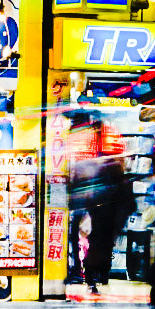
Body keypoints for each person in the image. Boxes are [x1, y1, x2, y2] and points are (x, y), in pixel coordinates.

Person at [65, 110, 129, 298]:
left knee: (91, 240)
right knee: (101, 241)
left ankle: (89, 274)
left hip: (94, 206)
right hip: (100, 208)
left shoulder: (88, 152)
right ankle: (95, 275)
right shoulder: (107, 157)